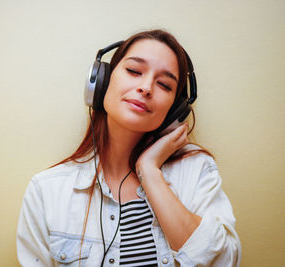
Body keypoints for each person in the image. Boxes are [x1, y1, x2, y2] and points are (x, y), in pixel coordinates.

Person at [16, 29, 241, 266]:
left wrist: (149, 171)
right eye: (134, 71)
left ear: (175, 111)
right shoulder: (47, 191)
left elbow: (225, 261)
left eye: (164, 84)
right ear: (102, 82)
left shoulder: (196, 172)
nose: (146, 87)